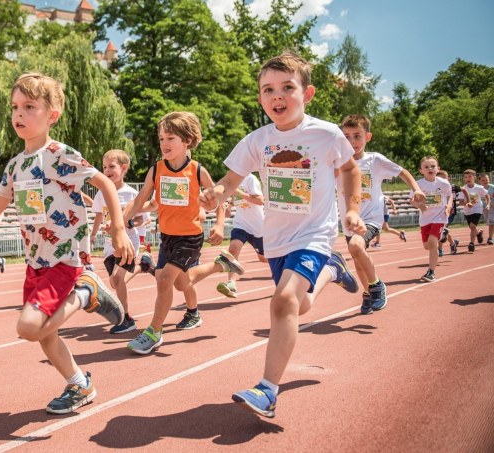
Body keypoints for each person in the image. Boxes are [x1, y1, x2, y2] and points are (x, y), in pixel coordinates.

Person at [0, 72, 134, 414]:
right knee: (45, 336)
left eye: (29, 107)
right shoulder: (15, 166)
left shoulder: (58, 154)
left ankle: (87, 291)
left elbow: (104, 183)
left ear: (51, 115)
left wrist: (118, 229)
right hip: (36, 261)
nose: (19, 114)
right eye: (15, 107)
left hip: (66, 257)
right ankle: (80, 384)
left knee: (29, 327)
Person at [199, 51, 364, 418]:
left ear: (307, 94)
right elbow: (231, 180)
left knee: (283, 301)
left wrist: (352, 209)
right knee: (298, 305)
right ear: (260, 98)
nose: (278, 96)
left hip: (315, 233)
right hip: (277, 239)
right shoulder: (257, 140)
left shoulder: (326, 134)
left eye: (287, 87)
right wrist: (216, 194)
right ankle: (332, 270)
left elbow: (351, 170)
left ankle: (267, 390)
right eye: (268, 89)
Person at [121, 111, 244, 355]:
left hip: (189, 237)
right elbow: (140, 199)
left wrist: (219, 225)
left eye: (170, 138)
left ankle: (154, 332)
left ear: (187, 141)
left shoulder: (197, 171)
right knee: (182, 283)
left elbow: (219, 198)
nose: (164, 144)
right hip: (167, 236)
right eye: (161, 139)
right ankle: (220, 264)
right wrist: (120, 222)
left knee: (164, 280)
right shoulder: (156, 170)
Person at [337, 114, 424, 315]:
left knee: (355, 245)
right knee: (357, 259)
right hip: (349, 220)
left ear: (367, 137)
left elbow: (402, 172)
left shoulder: (375, 160)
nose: (352, 142)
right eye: (346, 137)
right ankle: (368, 293)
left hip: (370, 218)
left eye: (357, 136)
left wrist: (416, 189)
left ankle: (376, 285)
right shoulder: (336, 162)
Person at [89, 149, 149, 334]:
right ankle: (144, 266)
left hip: (128, 242)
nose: (107, 170)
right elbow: (99, 216)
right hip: (110, 244)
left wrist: (126, 223)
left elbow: (143, 219)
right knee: (114, 282)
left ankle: (126, 319)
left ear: (123, 168)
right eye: (104, 167)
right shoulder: (101, 193)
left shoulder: (131, 194)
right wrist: (93, 235)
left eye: (111, 167)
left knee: (117, 278)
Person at [197, 173, 266, 299]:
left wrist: (239, 192)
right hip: (241, 224)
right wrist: (230, 206)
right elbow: (235, 197)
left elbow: (260, 200)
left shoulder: (250, 179)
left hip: (258, 227)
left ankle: (285, 267)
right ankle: (231, 284)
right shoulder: (233, 178)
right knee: (233, 250)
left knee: (264, 258)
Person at [410, 157, 453, 282]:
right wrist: (419, 205)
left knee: (433, 243)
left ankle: (431, 272)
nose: (430, 168)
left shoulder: (444, 183)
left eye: (433, 166)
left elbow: (449, 195)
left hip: (440, 217)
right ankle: (443, 234)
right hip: (425, 219)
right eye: (426, 167)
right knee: (427, 246)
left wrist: (449, 206)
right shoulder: (418, 184)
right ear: (421, 170)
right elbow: (412, 200)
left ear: (438, 169)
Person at [455, 169, 490, 252]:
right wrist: (468, 203)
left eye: (470, 176)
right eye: (466, 177)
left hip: (477, 209)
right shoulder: (463, 189)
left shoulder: (479, 188)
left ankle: (471, 244)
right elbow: (460, 202)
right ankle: (478, 233)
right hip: (467, 211)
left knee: (472, 226)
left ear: (474, 177)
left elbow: (487, 196)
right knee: (472, 228)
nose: (468, 178)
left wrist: (488, 204)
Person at [436, 170, 468, 256]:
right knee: (443, 230)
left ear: (448, 178)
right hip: (439, 213)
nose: (442, 180)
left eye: (444, 178)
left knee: (442, 229)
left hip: (450, 213)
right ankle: (453, 243)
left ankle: (440, 249)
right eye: (439, 178)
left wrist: (468, 201)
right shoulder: (436, 188)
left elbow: (464, 190)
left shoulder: (453, 187)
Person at [480, 173, 494, 244]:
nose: (485, 181)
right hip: (483, 208)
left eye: (486, 180)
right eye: (483, 180)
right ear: (480, 181)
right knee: (488, 222)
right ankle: (479, 233)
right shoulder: (478, 188)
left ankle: (490, 238)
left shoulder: (492, 187)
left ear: (489, 180)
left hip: (492, 208)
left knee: (491, 223)